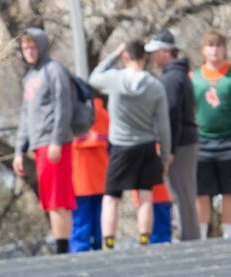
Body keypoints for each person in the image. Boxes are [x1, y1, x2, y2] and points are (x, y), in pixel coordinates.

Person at [89, 40, 171, 248]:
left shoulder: (115, 79)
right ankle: (144, 239)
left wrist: (114, 54)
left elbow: (94, 77)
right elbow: (163, 126)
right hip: (146, 145)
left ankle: (109, 241)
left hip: (120, 146)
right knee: (145, 195)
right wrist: (164, 156)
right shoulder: (155, 86)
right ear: (145, 56)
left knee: (111, 196)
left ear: (125, 56)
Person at [13, 28, 75, 254]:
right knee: (50, 198)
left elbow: (63, 106)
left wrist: (57, 140)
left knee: (59, 198)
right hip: (39, 145)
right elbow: (25, 116)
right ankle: (61, 245)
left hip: (54, 143)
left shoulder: (53, 70)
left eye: (33, 47)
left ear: (41, 46)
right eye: (25, 48)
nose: (29, 51)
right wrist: (19, 151)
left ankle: (63, 248)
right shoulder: (30, 77)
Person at [146, 29, 201, 241]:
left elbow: (172, 115)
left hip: (181, 144)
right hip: (185, 141)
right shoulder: (178, 74)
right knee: (184, 193)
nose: (152, 56)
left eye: (156, 51)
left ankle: (189, 239)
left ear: (167, 51)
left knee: (182, 193)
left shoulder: (171, 78)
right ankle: (190, 237)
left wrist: (169, 150)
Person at [192, 29, 231, 239]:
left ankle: (228, 234)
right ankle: (202, 234)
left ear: (225, 49)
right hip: (203, 142)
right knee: (201, 192)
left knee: (229, 192)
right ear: (203, 50)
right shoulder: (195, 77)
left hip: (228, 141)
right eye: (210, 45)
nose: (214, 50)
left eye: (218, 45)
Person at [70, 98, 109, 251]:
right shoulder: (105, 115)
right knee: (101, 223)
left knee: (80, 223)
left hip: (79, 180)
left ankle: (79, 254)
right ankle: (102, 251)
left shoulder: (71, 114)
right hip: (103, 178)